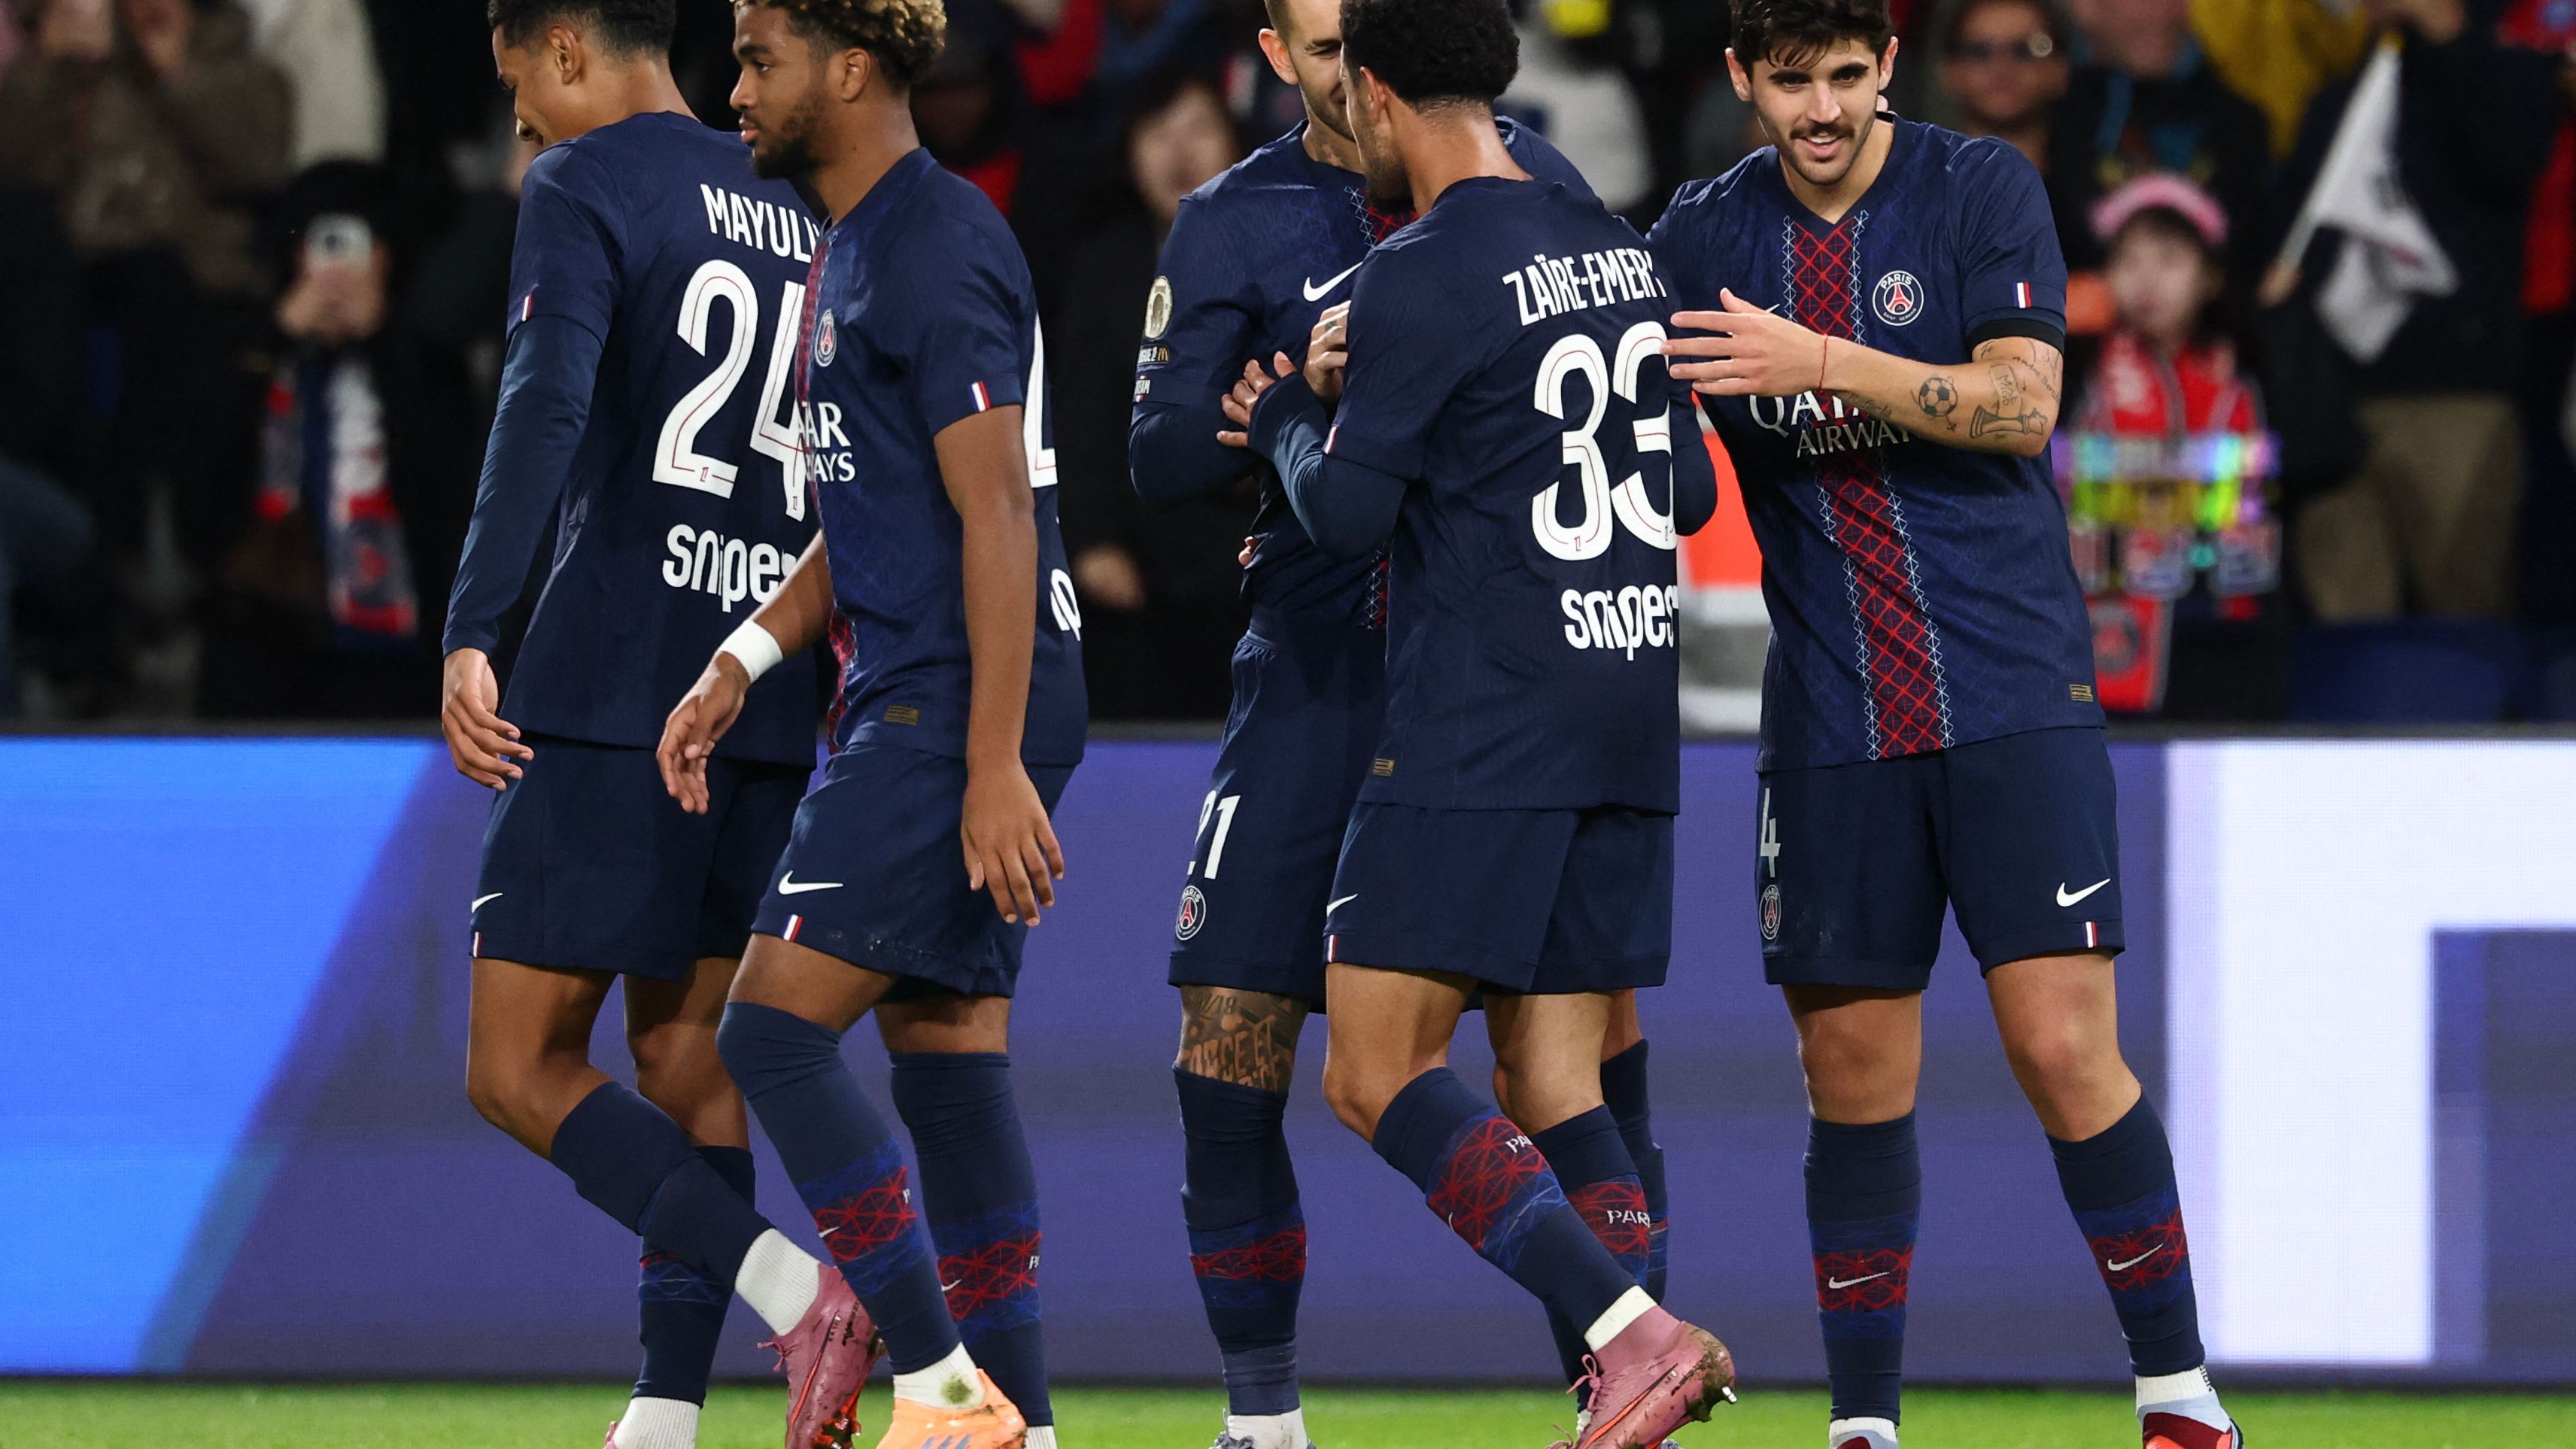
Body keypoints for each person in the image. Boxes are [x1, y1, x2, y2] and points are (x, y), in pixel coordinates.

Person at [1649, 4, 2239, 1449]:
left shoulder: (1978, 190)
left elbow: (2022, 404)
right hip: (1831, 710)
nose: (1822, 110)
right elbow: (1627, 427)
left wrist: (1823, 359)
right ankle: (1861, 1426)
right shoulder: (1697, 241)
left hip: (2005, 692)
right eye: (1790, 83)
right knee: (1848, 1074)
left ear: (1886, 66)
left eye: (1846, 77)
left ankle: (2179, 1400)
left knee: (2058, 1047)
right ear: (1740, 78)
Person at [1129, 0, 1679, 1440]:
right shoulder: (1238, 222)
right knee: (1236, 1039)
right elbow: (1156, 448)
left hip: (1459, 685)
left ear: (1378, 78)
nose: (1331, 76)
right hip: (1377, 678)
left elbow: (1354, 491)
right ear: (1275, 51)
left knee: (1467, 1070)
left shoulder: (1455, 237)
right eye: (1306, 43)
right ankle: (1269, 1419)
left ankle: (1620, 1340)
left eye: (1347, 52)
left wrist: (1305, 410)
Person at [436, 6, 864, 1449]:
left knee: (514, 1063)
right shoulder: (794, 203)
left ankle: (795, 1291)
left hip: (616, 678)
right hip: (759, 686)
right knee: (684, 1055)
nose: (520, 133)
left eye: (517, 92)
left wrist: (478, 624)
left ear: (565, 49)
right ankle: (667, 1412)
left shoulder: (584, 184)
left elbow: (544, 403)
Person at [663, 3, 1089, 1448]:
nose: (736, 90)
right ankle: (1017, 1420)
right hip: (924, 684)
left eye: (756, 61)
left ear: (849, 70)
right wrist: (744, 655)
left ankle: (937, 1383)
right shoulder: (847, 247)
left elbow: (996, 513)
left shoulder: (936, 241)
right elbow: (875, 513)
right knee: (948, 1060)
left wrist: (986, 765)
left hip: (951, 697)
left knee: (769, 1036)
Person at [2065, 174, 2279, 718]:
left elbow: (2253, 501)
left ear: (2209, 277)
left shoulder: (2242, 374)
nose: (2147, 282)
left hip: (2211, 618)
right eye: (2129, 262)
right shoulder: (2078, 366)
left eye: (2168, 260)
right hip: (2102, 614)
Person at [1935, 0, 2067, 171]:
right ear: (1949, 73)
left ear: (2059, 69)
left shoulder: (2102, 192)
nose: (2002, 69)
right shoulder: (1911, 189)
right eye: (1980, 52)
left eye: (2024, 51)